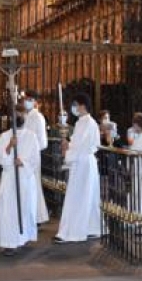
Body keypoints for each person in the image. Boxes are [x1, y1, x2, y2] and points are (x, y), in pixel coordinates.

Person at [54, 93, 101, 244]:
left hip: (83, 163)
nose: (74, 108)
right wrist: (68, 143)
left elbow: (82, 144)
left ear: (83, 105)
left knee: (79, 196)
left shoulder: (89, 122)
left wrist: (68, 147)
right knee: (86, 196)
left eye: (76, 104)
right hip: (81, 162)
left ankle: (73, 232)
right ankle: (91, 228)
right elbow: (76, 141)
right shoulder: (82, 122)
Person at [0, 104, 40, 255]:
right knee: (9, 210)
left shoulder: (31, 136)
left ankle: (23, 237)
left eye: (22, 114)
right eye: (16, 114)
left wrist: (23, 163)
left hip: (25, 179)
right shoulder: (4, 136)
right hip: (9, 179)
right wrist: (9, 147)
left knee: (25, 209)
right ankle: (9, 243)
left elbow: (35, 159)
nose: (19, 117)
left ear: (26, 116)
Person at [22, 91, 49, 225]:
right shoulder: (26, 116)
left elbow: (43, 142)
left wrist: (31, 151)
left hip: (32, 157)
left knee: (34, 186)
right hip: (24, 156)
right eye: (25, 99)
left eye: (30, 99)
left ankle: (38, 216)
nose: (26, 101)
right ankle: (31, 214)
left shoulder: (37, 117)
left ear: (35, 101)